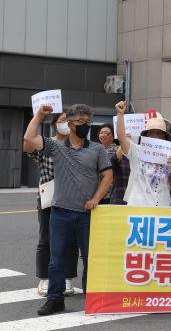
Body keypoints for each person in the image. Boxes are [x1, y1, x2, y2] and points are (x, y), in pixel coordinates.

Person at [24, 104, 112, 316]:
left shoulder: (97, 149)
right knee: (57, 259)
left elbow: (107, 175)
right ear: (70, 124)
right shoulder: (56, 146)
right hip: (60, 212)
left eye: (88, 122)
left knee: (90, 258)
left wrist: (96, 198)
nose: (85, 125)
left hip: (88, 214)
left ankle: (93, 298)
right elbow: (29, 139)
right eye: (81, 121)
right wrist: (39, 115)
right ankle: (55, 299)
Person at [23, 112, 79, 297]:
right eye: (62, 120)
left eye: (68, 120)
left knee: (71, 240)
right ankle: (44, 279)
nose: (66, 124)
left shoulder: (77, 145)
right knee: (46, 239)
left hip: (72, 198)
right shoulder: (46, 143)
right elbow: (27, 145)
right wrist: (38, 116)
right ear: (55, 124)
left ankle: (67, 278)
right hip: (49, 198)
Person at [115, 101, 171, 207]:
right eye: (151, 133)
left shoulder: (170, 157)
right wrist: (120, 114)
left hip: (162, 207)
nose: (155, 136)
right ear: (145, 136)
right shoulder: (136, 151)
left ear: (165, 137)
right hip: (137, 207)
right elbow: (122, 138)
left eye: (159, 134)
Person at [97, 123, 118, 205]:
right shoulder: (94, 149)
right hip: (94, 191)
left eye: (106, 133)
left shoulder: (118, 150)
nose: (102, 135)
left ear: (113, 135)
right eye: (101, 133)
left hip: (110, 192)